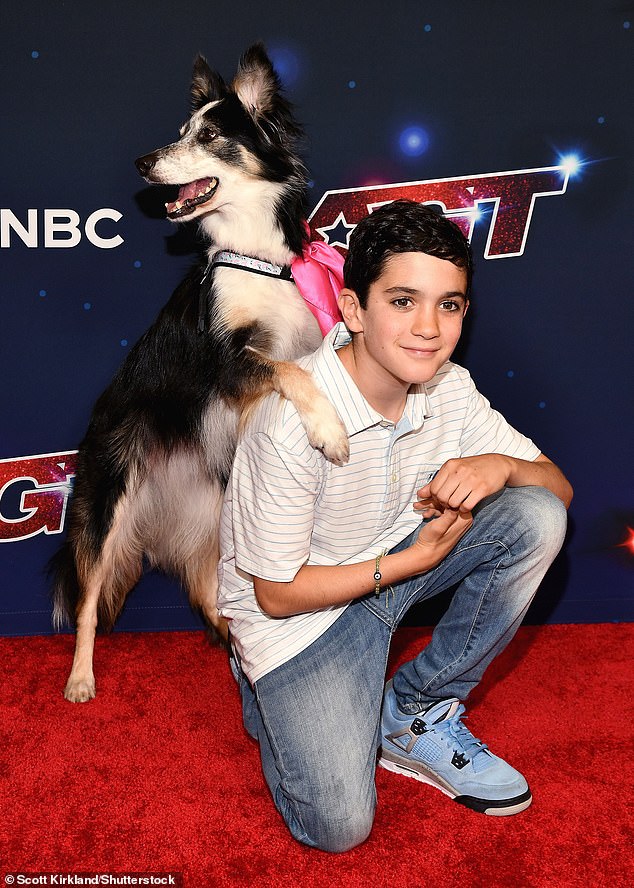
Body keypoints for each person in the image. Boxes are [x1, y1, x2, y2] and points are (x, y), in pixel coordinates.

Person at [217, 200, 573, 853]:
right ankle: (260, 687)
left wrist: (497, 464)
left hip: (394, 569)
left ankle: (413, 710)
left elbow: (559, 487)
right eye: (404, 301)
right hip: (298, 619)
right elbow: (275, 594)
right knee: (338, 829)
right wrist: (406, 566)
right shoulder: (292, 419)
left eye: (450, 305)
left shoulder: (450, 389)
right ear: (353, 311)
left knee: (535, 514)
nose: (429, 328)